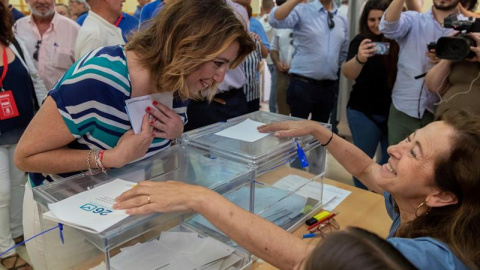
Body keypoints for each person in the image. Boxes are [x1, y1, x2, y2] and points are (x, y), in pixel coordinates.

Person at [14, 0, 254, 269]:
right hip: (66, 215)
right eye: (218, 63)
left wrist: (177, 131)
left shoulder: (178, 80)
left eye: (227, 66)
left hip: (126, 206)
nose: (220, 77)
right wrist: (110, 157)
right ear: (187, 47)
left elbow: (158, 144)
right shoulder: (100, 77)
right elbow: (26, 157)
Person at [115, 109, 480, 270]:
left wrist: (201, 197)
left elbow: (305, 260)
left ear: (443, 196)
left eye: (413, 152)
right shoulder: (423, 206)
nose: (395, 148)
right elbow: (370, 169)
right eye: (410, 137)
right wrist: (323, 134)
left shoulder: (432, 258)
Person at [0, 2, 47, 270]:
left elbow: (35, 79)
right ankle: (5, 248)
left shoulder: (13, 43)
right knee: (1, 192)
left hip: (22, 129)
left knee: (20, 186)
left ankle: (17, 232)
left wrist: (43, 119)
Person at [379, 0, 464, 145]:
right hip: (403, 109)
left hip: (443, 114)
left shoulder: (466, 27)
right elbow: (388, 28)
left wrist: (448, 57)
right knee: (394, 162)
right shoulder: (414, 19)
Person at [341, 0, 399, 190]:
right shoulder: (360, 41)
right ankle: (364, 197)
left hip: (393, 113)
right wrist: (360, 58)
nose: (376, 23)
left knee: (390, 165)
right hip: (363, 112)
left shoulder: (398, 39)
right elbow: (348, 73)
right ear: (365, 21)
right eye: (371, 19)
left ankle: (384, 201)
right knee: (362, 164)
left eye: (381, 18)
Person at [269, 0, 349, 124]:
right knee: (296, 132)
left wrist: (326, 67)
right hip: (302, 85)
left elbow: (343, 51)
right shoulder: (303, 10)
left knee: (321, 134)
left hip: (328, 86)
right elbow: (274, 20)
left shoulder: (342, 18)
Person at [14, 0, 79, 91]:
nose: (41, 1)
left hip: (64, 100)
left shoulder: (74, 30)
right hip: (30, 99)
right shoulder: (18, 28)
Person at [425, 33, 480, 118]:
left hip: (473, 127)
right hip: (446, 121)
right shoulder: (466, 51)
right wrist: (449, 54)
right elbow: (433, 87)